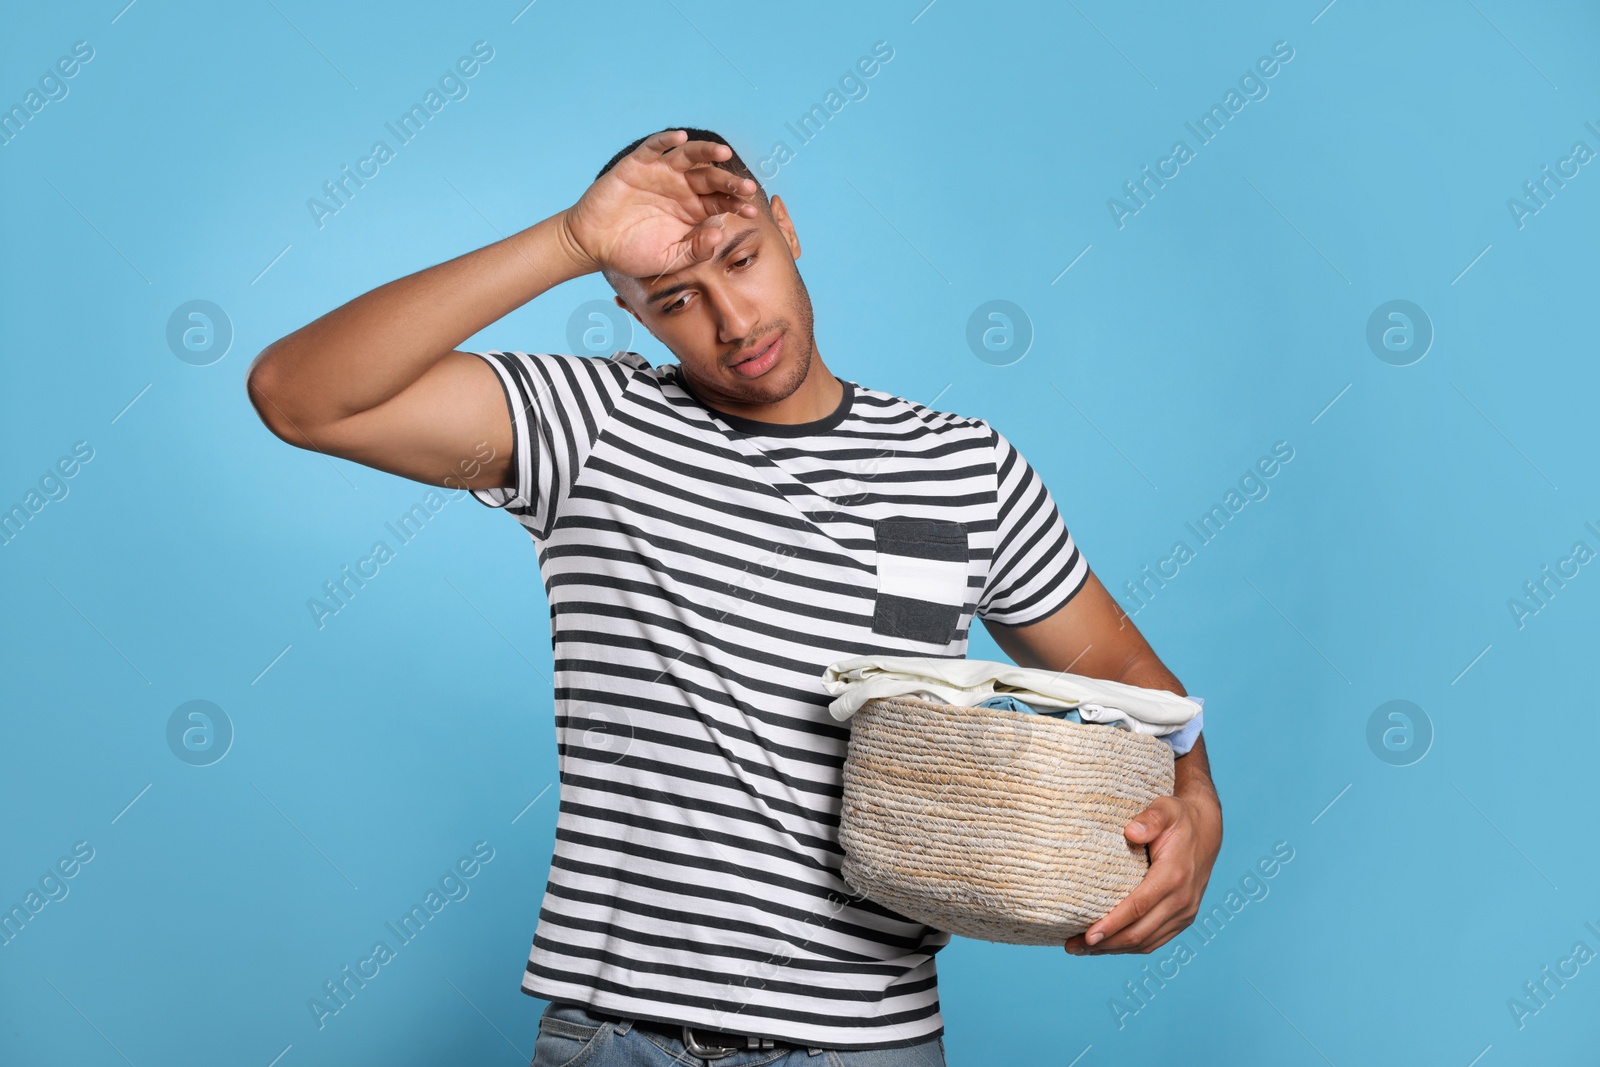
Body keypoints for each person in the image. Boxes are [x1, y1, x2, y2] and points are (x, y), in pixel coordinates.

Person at [246, 127, 1223, 1065]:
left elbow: (1133, 680)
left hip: (867, 1038)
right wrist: (570, 240)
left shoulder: (963, 465)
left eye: (742, 259)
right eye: (674, 298)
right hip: (620, 1037)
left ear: (788, 228)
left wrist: (1196, 805)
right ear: (629, 310)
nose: (734, 321)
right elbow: (300, 394)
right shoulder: (590, 425)